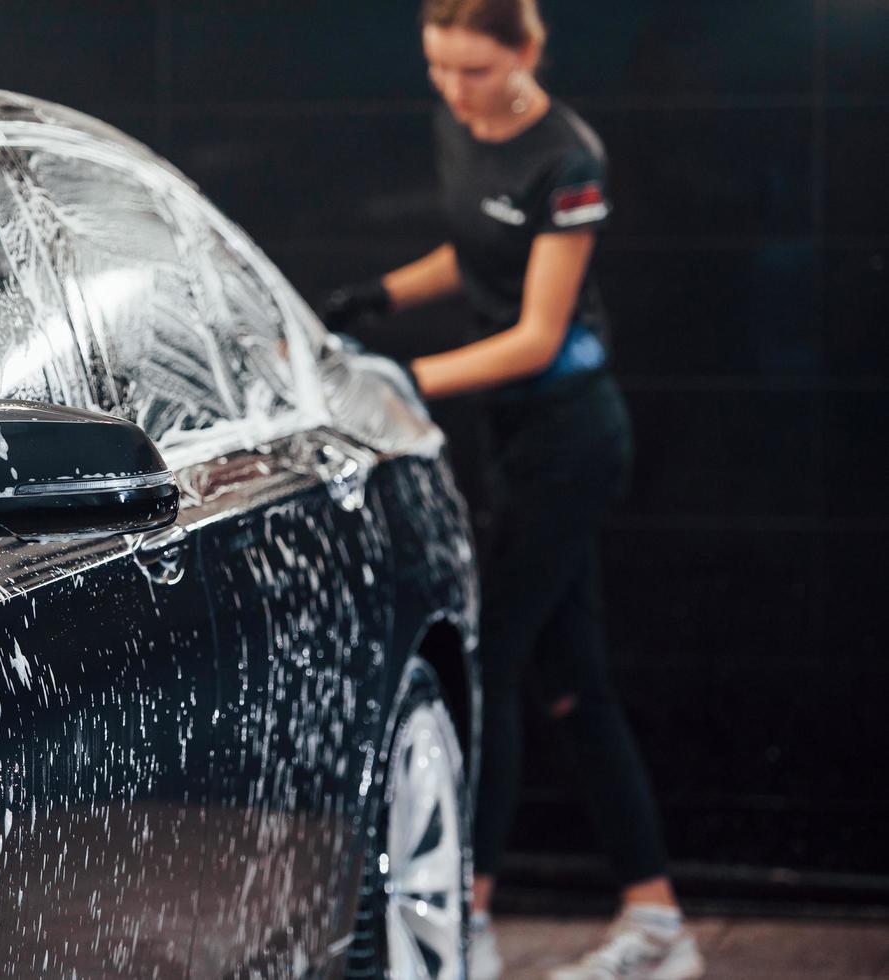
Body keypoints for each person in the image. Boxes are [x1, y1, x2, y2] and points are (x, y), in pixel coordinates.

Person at [322, 2, 705, 978]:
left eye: (475, 70)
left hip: (572, 436)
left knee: (486, 667)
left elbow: (536, 331)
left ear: (527, 51)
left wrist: (399, 376)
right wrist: (384, 295)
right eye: (437, 68)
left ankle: (466, 919)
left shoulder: (570, 158)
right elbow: (480, 244)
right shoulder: (462, 122)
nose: (454, 89)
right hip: (514, 437)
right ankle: (656, 917)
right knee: (575, 683)